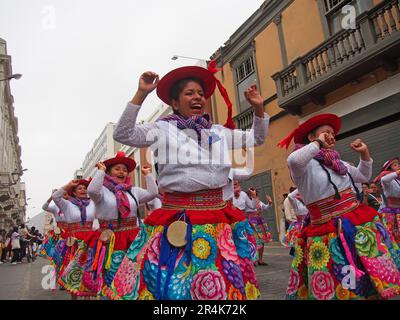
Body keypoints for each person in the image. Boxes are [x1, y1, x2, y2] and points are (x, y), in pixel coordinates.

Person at [107, 63, 269, 300]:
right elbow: (123, 134)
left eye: (201, 94)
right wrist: (141, 94)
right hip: (179, 217)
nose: (198, 98)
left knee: (220, 285)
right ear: (174, 102)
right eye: (190, 93)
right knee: (176, 285)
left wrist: (258, 109)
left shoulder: (218, 132)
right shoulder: (162, 130)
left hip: (218, 219)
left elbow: (257, 137)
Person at [278, 113, 400, 300]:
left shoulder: (339, 163)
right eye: (326, 132)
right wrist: (318, 143)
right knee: (339, 276)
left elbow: (363, 176)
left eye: (333, 133)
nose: (331, 136)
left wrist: (364, 154)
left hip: (356, 222)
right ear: (312, 137)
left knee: (365, 270)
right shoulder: (303, 166)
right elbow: (293, 160)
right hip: (326, 229)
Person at [82, 153, 158, 298]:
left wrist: (148, 174)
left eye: (124, 169)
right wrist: (100, 172)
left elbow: (152, 193)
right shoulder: (101, 192)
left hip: (133, 237)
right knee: (112, 274)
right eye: (117, 169)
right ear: (109, 171)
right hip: (111, 239)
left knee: (135, 274)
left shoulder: (133, 191)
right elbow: (91, 190)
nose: (121, 171)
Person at [52, 179, 97, 299]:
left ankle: (87, 296)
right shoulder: (67, 204)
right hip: (74, 242)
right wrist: (68, 186)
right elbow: (55, 197)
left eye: (84, 188)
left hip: (90, 241)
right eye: (79, 188)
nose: (83, 190)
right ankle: (74, 297)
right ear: (74, 192)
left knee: (89, 271)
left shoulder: (92, 203)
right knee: (74, 272)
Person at [374, 157, 400, 245]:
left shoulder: (397, 180)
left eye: (398, 164)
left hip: (397, 211)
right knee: (392, 234)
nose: (398, 166)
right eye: (395, 165)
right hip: (389, 212)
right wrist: (397, 172)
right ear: (389, 169)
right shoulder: (386, 181)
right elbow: (384, 179)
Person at [246, 191, 273, 266]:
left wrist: (270, 202)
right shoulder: (247, 202)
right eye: (253, 194)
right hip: (252, 222)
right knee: (254, 240)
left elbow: (266, 207)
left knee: (262, 241)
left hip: (260, 222)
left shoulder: (259, 202)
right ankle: (254, 259)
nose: (255, 196)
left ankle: (260, 260)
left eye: (255, 195)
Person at [284, 189, 308, 257]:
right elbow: (290, 196)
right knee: (299, 249)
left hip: (310, 225)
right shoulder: (294, 201)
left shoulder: (307, 198)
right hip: (300, 226)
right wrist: (300, 186)